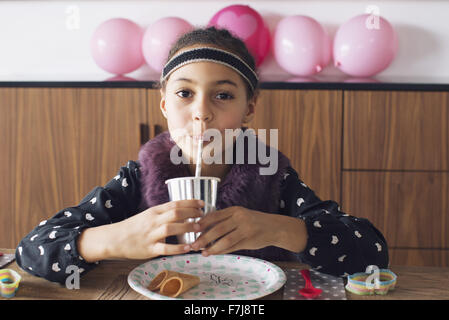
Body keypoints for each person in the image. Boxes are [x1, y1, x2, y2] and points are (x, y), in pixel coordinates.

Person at [15, 26, 389, 284]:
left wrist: (279, 228)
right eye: (184, 94)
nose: (201, 112)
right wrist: (113, 239)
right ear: (163, 104)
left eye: (223, 95)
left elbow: (370, 252)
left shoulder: (275, 179)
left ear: (249, 108)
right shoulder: (137, 180)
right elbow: (32, 250)